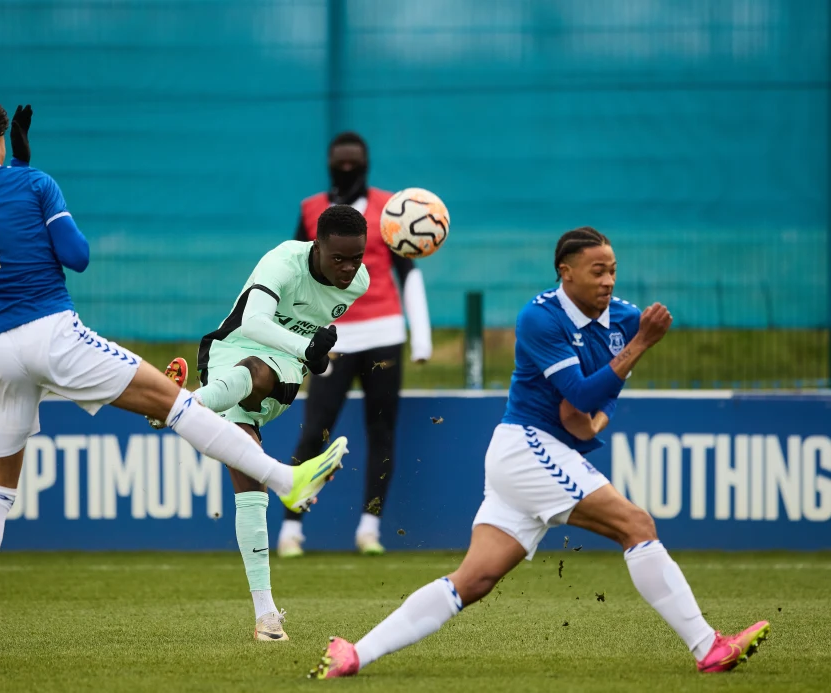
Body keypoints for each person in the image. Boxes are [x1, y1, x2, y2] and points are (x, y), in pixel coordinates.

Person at [0, 97, 348, 669]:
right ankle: (285, 480)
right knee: (176, 403)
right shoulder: (36, 183)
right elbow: (77, 256)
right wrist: (28, 175)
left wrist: (16, 174)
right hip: (52, 332)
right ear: (0, 140)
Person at [310, 227, 770, 679]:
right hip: (528, 447)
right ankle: (708, 647)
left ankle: (355, 655)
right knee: (636, 525)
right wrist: (640, 346)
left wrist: (599, 414)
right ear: (565, 273)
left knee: (473, 580)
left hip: (533, 454)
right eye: (597, 271)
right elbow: (580, 393)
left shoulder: (627, 319)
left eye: (612, 270)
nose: (608, 281)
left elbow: (600, 398)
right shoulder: (540, 317)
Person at [148, 204, 370, 640]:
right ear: (316, 246)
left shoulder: (358, 284)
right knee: (249, 481)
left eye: (356, 258)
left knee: (259, 372)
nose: (348, 268)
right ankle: (267, 617)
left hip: (282, 372)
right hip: (229, 353)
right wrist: (310, 349)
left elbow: (310, 344)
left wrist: (313, 354)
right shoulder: (283, 261)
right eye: (339, 258)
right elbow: (252, 322)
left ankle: (176, 405)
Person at [277, 132, 432, 558]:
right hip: (332, 339)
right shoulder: (311, 209)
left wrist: (421, 338)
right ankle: (291, 528)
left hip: (385, 334)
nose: (347, 169)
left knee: (381, 431)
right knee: (315, 429)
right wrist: (293, 336)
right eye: (340, 162)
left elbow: (407, 271)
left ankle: (369, 528)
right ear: (329, 164)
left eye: (354, 162)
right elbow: (295, 271)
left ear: (366, 164)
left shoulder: (391, 209)